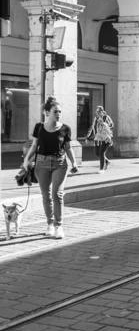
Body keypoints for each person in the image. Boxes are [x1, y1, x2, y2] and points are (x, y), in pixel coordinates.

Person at [23, 96, 79, 239]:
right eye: (55, 111)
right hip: (41, 164)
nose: (58, 114)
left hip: (59, 164)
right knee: (46, 196)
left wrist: (74, 162)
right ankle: (50, 224)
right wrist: (26, 160)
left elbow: (68, 147)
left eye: (59, 112)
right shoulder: (39, 127)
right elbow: (35, 146)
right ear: (47, 112)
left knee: (57, 194)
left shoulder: (65, 128)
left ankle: (59, 226)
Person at [86, 106, 114, 174]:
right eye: (96, 112)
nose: (97, 113)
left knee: (101, 152)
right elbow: (93, 128)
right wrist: (88, 137)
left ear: (102, 111)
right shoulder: (96, 118)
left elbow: (112, 125)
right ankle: (106, 161)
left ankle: (102, 169)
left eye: (98, 112)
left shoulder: (106, 117)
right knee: (97, 153)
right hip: (97, 139)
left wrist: (103, 124)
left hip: (105, 138)